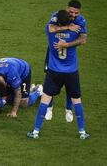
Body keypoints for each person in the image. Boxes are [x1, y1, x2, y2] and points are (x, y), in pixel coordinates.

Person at [27, 10, 90, 139]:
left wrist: (63, 26)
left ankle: (35, 132)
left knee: (45, 100)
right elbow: (82, 39)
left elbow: (51, 27)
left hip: (54, 71)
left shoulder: (50, 31)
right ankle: (82, 132)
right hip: (71, 72)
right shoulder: (74, 32)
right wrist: (70, 30)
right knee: (76, 101)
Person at [44, 0, 87, 122]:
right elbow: (50, 29)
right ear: (66, 8)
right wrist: (68, 27)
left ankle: (68, 109)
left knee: (70, 83)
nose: (73, 15)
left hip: (68, 55)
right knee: (50, 81)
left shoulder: (81, 21)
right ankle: (49, 108)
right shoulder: (57, 16)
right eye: (71, 12)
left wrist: (66, 45)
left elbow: (83, 40)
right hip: (53, 52)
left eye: (76, 13)